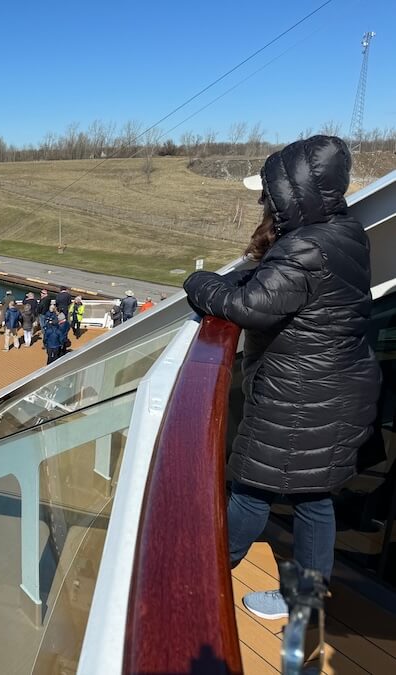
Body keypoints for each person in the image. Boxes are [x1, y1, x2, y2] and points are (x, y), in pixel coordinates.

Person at [184, 135, 380, 621]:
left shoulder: (305, 247)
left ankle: (193, 586)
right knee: (314, 499)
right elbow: (286, 291)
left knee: (251, 490)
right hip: (339, 388)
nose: (261, 202)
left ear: (292, 195)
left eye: (268, 194)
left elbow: (247, 307)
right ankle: (305, 603)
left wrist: (198, 281)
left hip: (299, 398)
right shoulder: (347, 233)